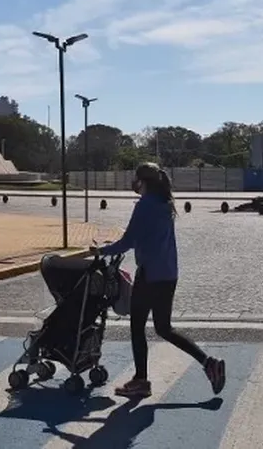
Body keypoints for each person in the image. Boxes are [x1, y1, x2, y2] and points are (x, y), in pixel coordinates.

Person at [96, 162, 225, 399]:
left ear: (142, 182)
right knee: (164, 328)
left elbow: (128, 241)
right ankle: (208, 362)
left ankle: (141, 380)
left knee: (137, 327)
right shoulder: (165, 204)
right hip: (168, 274)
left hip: (149, 275)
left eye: (137, 180)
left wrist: (100, 250)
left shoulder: (145, 206)